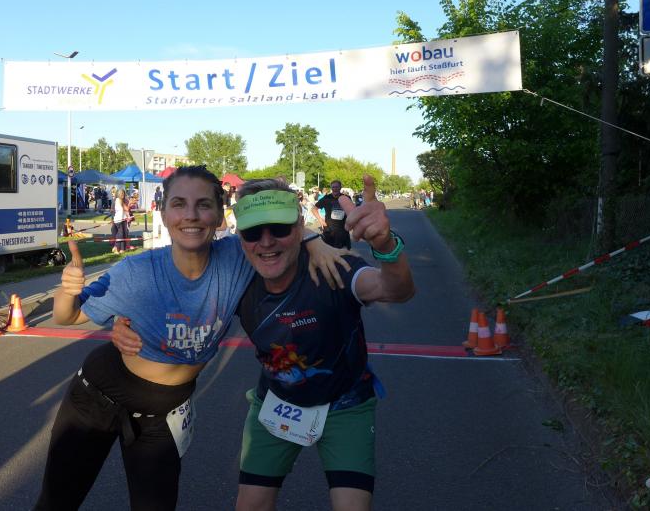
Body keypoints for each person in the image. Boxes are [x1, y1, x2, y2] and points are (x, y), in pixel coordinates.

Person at [36, 166, 351, 511]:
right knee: (56, 504)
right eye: (179, 204)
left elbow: (278, 228)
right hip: (97, 397)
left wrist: (313, 240)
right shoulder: (136, 272)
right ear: (163, 213)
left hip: (162, 414)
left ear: (219, 215)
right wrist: (68, 290)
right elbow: (68, 316)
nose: (191, 215)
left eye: (203, 204)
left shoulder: (239, 257)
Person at [113, 175, 415, 510]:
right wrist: (125, 321)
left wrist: (386, 246)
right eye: (253, 233)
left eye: (280, 229)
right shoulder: (237, 278)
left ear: (298, 229)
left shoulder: (330, 266)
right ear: (240, 237)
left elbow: (396, 290)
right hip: (278, 401)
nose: (266, 242)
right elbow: (177, 296)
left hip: (345, 403)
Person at [312, 180, 353, 250]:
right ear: (331, 188)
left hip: (343, 230)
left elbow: (351, 211)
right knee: (329, 251)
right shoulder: (326, 198)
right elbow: (314, 209)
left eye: (337, 187)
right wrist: (321, 221)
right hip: (329, 230)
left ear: (340, 187)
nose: (335, 189)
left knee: (344, 252)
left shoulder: (346, 198)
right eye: (333, 187)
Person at [111, 188, 129, 254]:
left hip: (122, 219)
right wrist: (130, 203)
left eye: (123, 194)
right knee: (120, 234)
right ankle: (116, 247)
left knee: (122, 234)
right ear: (119, 194)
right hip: (118, 220)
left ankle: (121, 249)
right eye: (121, 194)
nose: (123, 195)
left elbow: (125, 209)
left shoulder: (120, 200)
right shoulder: (118, 200)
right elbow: (126, 209)